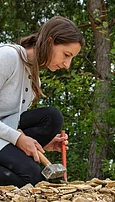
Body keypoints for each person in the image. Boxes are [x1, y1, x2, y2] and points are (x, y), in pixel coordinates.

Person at [0, 16, 84, 187]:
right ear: (49, 41)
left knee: (52, 117)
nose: (67, 64)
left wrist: (44, 143)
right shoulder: (8, 57)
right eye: (66, 55)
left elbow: (13, 123)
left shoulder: (34, 80)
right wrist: (18, 139)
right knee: (32, 178)